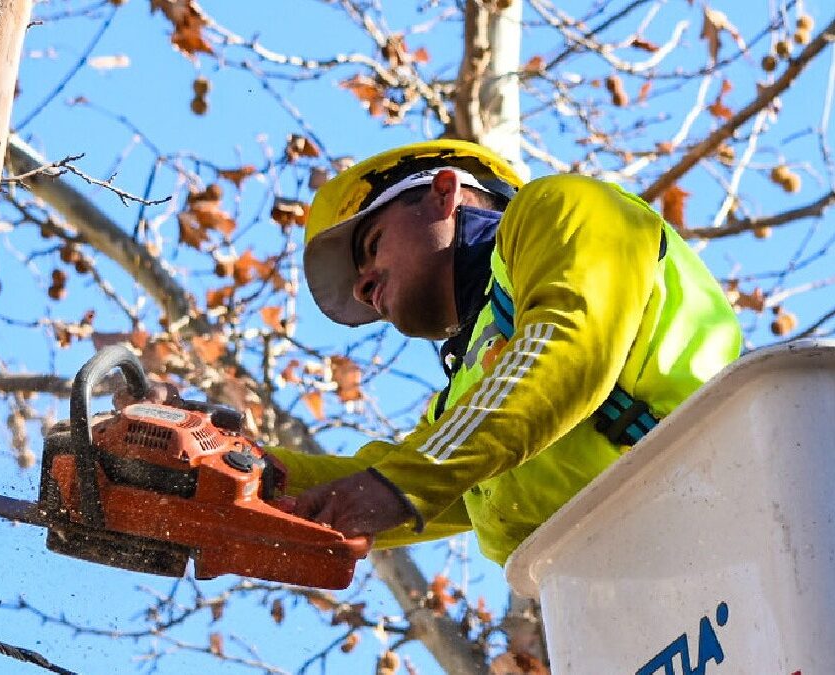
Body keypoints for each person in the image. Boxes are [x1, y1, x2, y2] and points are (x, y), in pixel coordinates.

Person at [264, 139, 743, 566]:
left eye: (373, 244)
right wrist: (242, 475)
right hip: (613, 593)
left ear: (444, 193)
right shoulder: (468, 396)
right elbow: (377, 477)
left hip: (730, 520)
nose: (364, 284)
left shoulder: (562, 207)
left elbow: (566, 349)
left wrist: (402, 483)